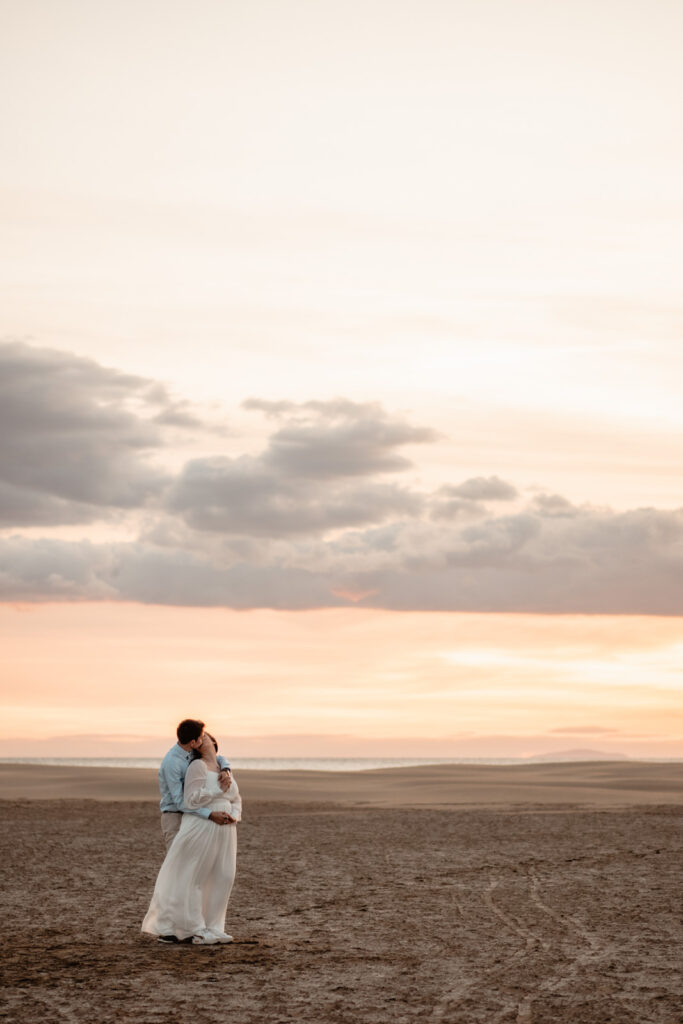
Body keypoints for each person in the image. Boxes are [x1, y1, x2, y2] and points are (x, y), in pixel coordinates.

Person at [142, 731, 242, 945]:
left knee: (221, 876)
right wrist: (214, 799)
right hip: (188, 819)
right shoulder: (184, 764)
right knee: (186, 874)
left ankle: (212, 926)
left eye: (204, 737)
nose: (200, 740)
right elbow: (186, 801)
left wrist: (234, 815)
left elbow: (235, 797)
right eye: (198, 738)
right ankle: (180, 929)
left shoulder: (223, 767)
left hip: (223, 827)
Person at [158, 718, 232, 850]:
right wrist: (210, 814)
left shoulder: (190, 751)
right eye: (201, 737)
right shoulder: (172, 763)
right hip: (174, 816)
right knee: (176, 860)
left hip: (192, 815)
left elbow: (217, 757)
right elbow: (180, 802)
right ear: (193, 742)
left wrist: (225, 769)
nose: (203, 739)